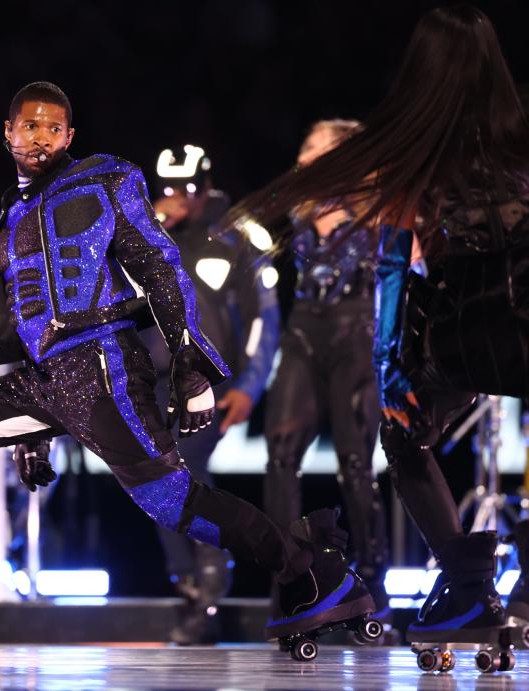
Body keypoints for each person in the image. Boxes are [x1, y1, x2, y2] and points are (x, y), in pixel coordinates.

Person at [0, 81, 375, 654]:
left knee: (171, 499)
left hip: (102, 366)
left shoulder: (106, 180)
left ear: (69, 135)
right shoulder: (11, 214)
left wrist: (191, 367)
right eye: (29, 125)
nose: (40, 136)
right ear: (8, 133)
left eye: (53, 127)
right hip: (43, 381)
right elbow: (23, 313)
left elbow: (163, 269)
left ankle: (311, 569)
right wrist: (33, 437)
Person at [225, 5, 529, 652]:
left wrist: (393, 371)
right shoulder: (517, 135)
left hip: (461, 330)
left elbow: (395, 266)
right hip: (520, 322)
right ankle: (504, 585)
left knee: (402, 437)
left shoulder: (415, 149)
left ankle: (467, 576)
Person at [148, 144, 279, 644]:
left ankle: (207, 584)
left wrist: (249, 385)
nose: (176, 198)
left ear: (205, 186)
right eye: (166, 188)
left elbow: (263, 319)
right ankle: (192, 584)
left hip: (211, 380)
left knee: (179, 470)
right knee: (152, 478)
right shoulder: (144, 233)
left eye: (186, 189)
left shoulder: (239, 235)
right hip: (155, 380)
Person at [263, 120, 390, 614]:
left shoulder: (373, 208)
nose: (306, 154)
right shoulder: (299, 206)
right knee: (281, 451)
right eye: (305, 144)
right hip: (304, 331)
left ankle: (372, 588)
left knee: (355, 461)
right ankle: (291, 580)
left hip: (354, 332)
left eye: (317, 146)